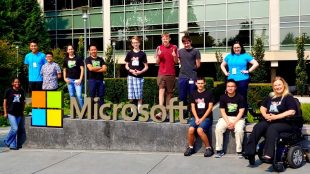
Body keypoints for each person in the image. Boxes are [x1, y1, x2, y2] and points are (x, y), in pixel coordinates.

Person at [244, 76, 299, 165]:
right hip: (271, 121)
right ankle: (250, 152)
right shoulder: (271, 96)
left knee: (272, 128)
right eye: (275, 85)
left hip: (286, 123)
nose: (278, 87)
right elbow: (262, 107)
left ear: (284, 85)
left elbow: (292, 111)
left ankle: (269, 154)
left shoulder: (288, 97)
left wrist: (276, 117)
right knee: (258, 126)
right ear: (273, 87)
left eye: (279, 85)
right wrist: (265, 115)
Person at [220, 41, 259, 114]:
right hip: (231, 80)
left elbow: (256, 63)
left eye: (238, 47)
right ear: (232, 48)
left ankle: (243, 115)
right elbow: (222, 65)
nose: (236, 49)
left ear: (241, 48)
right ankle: (230, 113)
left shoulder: (245, 56)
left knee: (242, 97)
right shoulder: (229, 56)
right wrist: (226, 73)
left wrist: (248, 71)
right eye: (234, 47)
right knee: (229, 97)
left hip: (243, 80)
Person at [214, 79, 246, 158]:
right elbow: (222, 111)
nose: (230, 88)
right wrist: (228, 122)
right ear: (226, 87)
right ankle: (219, 150)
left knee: (239, 130)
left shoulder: (240, 97)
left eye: (232, 86)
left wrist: (234, 123)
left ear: (235, 87)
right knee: (218, 128)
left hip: (238, 118)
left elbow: (241, 112)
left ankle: (239, 151)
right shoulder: (222, 97)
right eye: (228, 86)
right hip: (226, 118)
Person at [184, 77, 214, 157]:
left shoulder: (209, 93)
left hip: (206, 117)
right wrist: (197, 118)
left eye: (202, 83)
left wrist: (202, 119)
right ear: (196, 84)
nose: (200, 85)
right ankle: (190, 147)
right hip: (196, 117)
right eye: (198, 83)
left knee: (200, 130)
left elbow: (210, 108)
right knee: (191, 129)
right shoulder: (193, 94)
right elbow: (193, 107)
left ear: (204, 83)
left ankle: (208, 148)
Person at [155, 32, 178, 119]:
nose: (165, 40)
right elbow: (157, 62)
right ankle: (161, 111)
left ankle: (167, 113)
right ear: (162, 39)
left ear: (169, 39)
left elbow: (176, 62)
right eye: (163, 38)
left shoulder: (174, 47)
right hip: (161, 74)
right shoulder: (159, 48)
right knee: (161, 91)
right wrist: (159, 55)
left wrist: (174, 56)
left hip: (171, 74)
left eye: (166, 38)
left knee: (170, 94)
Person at [178, 32, 201, 118]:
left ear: (190, 42)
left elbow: (198, 65)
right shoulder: (180, 51)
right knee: (182, 96)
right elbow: (177, 62)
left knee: (192, 95)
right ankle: (183, 113)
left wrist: (191, 68)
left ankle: (192, 113)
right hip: (182, 76)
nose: (186, 44)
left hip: (192, 76)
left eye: (187, 43)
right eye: (184, 43)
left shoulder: (196, 51)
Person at [124, 36, 148, 116]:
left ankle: (139, 111)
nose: (135, 44)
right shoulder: (129, 53)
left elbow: (146, 67)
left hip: (139, 77)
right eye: (134, 43)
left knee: (139, 95)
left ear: (139, 43)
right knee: (131, 95)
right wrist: (130, 70)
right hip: (130, 76)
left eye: (136, 42)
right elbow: (126, 66)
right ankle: (132, 111)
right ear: (132, 44)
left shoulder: (142, 54)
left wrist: (140, 72)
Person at [3, 78, 25, 150]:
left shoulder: (21, 91)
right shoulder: (8, 91)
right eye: (15, 82)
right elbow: (5, 102)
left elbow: (23, 102)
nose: (17, 83)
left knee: (14, 129)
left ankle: (13, 145)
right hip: (11, 113)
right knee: (15, 128)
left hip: (19, 113)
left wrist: (22, 110)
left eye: (18, 82)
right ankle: (7, 141)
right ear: (12, 83)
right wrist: (5, 112)